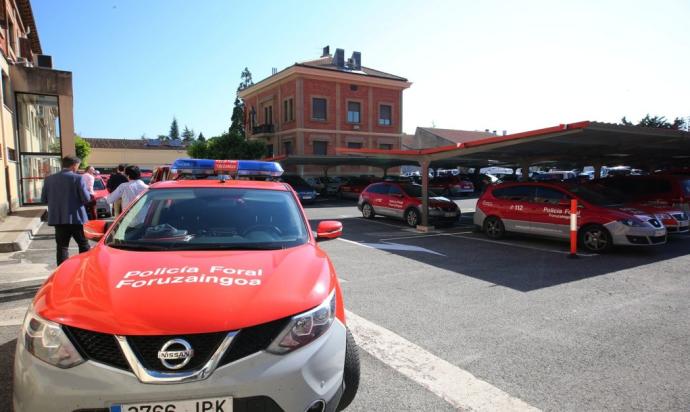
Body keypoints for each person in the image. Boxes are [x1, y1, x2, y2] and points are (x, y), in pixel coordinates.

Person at [40, 155, 91, 266]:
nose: (77, 168)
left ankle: (61, 271)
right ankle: (85, 267)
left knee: (62, 247)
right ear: (74, 165)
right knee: (83, 244)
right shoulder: (78, 178)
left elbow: (43, 199)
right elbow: (86, 198)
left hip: (58, 218)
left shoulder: (49, 179)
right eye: (77, 166)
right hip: (76, 218)